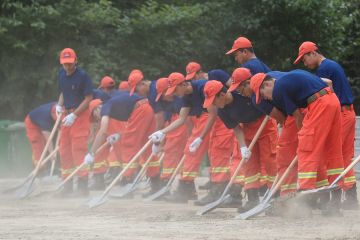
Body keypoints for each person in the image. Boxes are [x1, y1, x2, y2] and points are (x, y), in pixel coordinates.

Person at [252, 69, 344, 216]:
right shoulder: (288, 78)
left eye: (263, 94)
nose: (267, 99)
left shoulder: (278, 88)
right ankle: (335, 204)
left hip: (318, 105)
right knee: (332, 152)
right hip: (332, 100)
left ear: (268, 84)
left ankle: (305, 201)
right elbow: (328, 82)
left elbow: (296, 115)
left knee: (306, 149)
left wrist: (303, 134)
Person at [202, 68, 277, 212]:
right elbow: (236, 128)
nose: (213, 105)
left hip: (265, 125)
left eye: (214, 101)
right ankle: (252, 199)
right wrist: (243, 147)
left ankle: (274, 197)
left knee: (270, 161)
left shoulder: (243, 93)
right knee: (250, 164)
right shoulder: (222, 111)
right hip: (247, 130)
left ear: (222, 94)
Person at [294, 41, 358, 209]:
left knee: (331, 155)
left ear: (313, 53)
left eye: (305, 59)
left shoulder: (323, 69)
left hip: (340, 115)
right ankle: (351, 197)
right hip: (348, 112)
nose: (305, 64)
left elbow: (324, 95)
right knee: (344, 155)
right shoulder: (331, 65)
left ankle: (329, 199)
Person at [149, 72, 217, 203]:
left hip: (211, 118)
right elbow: (181, 119)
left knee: (199, 153)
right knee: (191, 151)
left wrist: (200, 137)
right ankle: (187, 189)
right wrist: (162, 132)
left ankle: (187, 189)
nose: (173, 93)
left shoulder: (202, 87)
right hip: (202, 119)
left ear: (183, 84)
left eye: (175, 89)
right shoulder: (185, 96)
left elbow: (213, 114)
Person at [56, 48, 93, 197]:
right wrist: (59, 104)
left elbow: (89, 98)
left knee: (78, 149)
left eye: (70, 63)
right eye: (65, 64)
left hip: (80, 115)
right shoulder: (61, 74)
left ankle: (83, 187)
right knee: (64, 149)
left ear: (75, 60)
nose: (68, 66)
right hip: (66, 114)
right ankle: (67, 185)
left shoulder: (83, 76)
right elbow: (63, 92)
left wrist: (75, 115)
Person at [24, 102, 57, 169]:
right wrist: (52, 154)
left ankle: (52, 167)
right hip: (32, 123)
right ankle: (39, 169)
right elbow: (49, 139)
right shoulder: (45, 119)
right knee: (38, 146)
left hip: (40, 120)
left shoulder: (60, 108)